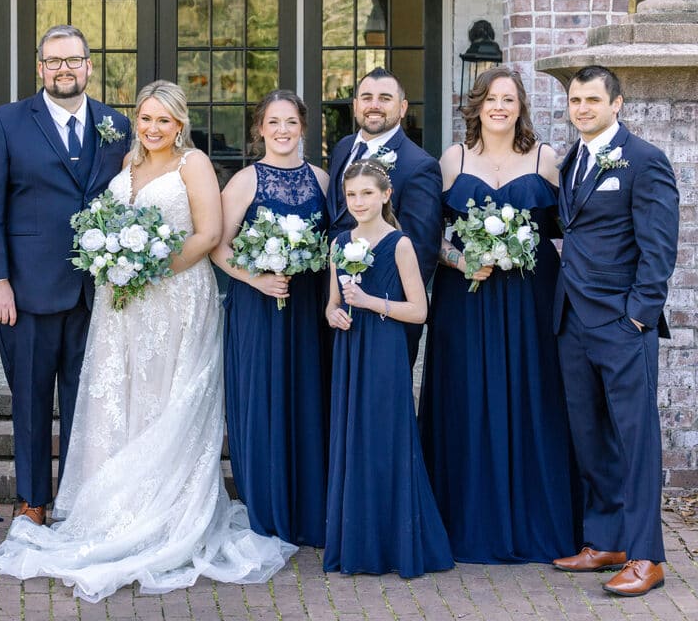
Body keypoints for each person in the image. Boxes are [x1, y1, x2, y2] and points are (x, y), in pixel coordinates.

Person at [0, 81, 296, 602]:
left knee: (167, 399)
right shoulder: (125, 165)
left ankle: (166, 513)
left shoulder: (191, 164)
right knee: (123, 403)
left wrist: (150, 270)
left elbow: (207, 233)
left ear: (180, 124)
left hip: (174, 298)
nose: (152, 128)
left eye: (163, 121)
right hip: (123, 306)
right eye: (145, 118)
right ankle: (115, 508)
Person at [0, 25, 130, 524]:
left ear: (88, 65)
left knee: (89, 403)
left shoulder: (117, 125)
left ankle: (82, 498)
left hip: (98, 291)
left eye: (74, 60)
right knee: (33, 404)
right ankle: (33, 500)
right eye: (54, 61)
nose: (64, 69)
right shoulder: (7, 122)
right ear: (40, 68)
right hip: (27, 291)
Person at [419, 66, 576, 563]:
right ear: (477, 105)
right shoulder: (453, 158)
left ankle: (537, 520)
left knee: (533, 394)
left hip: (531, 300)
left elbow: (569, 231)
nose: (500, 107)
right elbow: (429, 235)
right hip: (466, 297)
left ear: (520, 107)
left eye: (509, 99)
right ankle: (466, 520)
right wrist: (462, 259)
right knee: (467, 395)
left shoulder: (547, 159)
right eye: (491, 98)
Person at [550, 65, 679, 597]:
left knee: (636, 440)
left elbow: (659, 249)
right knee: (590, 436)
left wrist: (638, 318)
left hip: (622, 325)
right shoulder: (571, 161)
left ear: (617, 103)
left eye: (592, 99)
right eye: (575, 99)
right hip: (571, 321)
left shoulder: (645, 161)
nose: (582, 108)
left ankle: (648, 556)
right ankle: (607, 541)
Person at [212, 90, 331, 547]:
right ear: (260, 128)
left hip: (307, 308)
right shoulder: (244, 181)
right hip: (259, 305)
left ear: (303, 127)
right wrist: (256, 278)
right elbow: (218, 248)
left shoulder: (321, 179)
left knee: (308, 396)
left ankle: (309, 505)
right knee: (264, 397)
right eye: (273, 122)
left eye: (291, 122)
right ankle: (268, 505)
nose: (283, 131)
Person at [324, 160, 452, 578]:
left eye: (367, 193)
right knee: (352, 438)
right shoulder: (339, 242)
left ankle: (396, 544)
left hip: (384, 351)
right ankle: (358, 543)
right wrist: (335, 314)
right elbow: (332, 303)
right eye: (352, 194)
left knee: (386, 438)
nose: (358, 202)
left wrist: (370, 303)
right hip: (349, 349)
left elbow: (419, 311)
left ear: (385, 195)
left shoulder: (399, 244)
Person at [325, 68, 441, 366]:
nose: (374, 105)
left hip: (384, 315)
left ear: (402, 107)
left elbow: (422, 249)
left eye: (385, 98)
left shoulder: (419, 165)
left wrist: (382, 306)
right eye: (367, 97)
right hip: (339, 307)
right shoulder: (343, 148)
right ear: (355, 105)